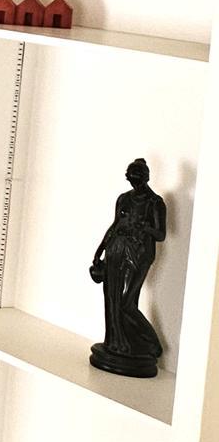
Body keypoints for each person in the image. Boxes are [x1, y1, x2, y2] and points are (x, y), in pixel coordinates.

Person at [89, 158, 166, 378]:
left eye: (138, 179)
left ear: (146, 177)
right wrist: (99, 251)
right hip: (117, 249)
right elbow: (114, 226)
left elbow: (161, 235)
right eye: (131, 178)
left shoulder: (155, 203)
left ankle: (152, 345)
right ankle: (115, 342)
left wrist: (145, 226)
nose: (134, 182)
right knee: (112, 298)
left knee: (127, 302)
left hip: (140, 253)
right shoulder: (124, 199)